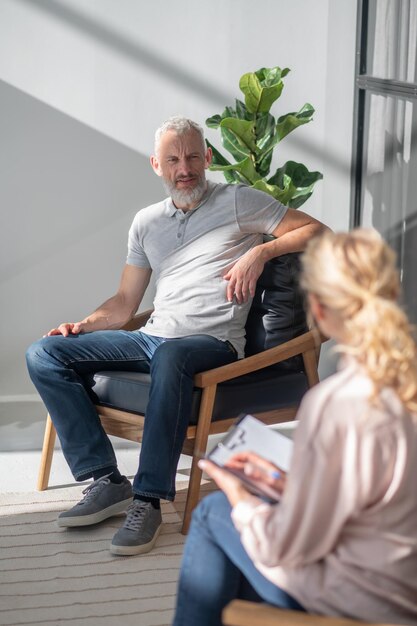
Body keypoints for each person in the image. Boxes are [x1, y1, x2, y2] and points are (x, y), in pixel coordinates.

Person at [26, 116, 326, 557]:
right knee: (45, 353)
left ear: (206, 159)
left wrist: (260, 252)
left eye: (191, 157)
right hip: (151, 337)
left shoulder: (240, 201)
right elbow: (126, 302)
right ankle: (107, 480)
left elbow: (319, 231)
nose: (183, 168)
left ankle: (148, 499)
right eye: (172, 159)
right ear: (156, 165)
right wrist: (83, 326)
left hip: (211, 343)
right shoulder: (146, 222)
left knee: (171, 358)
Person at [173, 228, 417, 626]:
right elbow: (371, 493)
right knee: (234, 562)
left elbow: (288, 545)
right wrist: (292, 486)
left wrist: (242, 498)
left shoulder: (337, 403)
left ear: (317, 312)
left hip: (366, 600)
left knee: (215, 512)